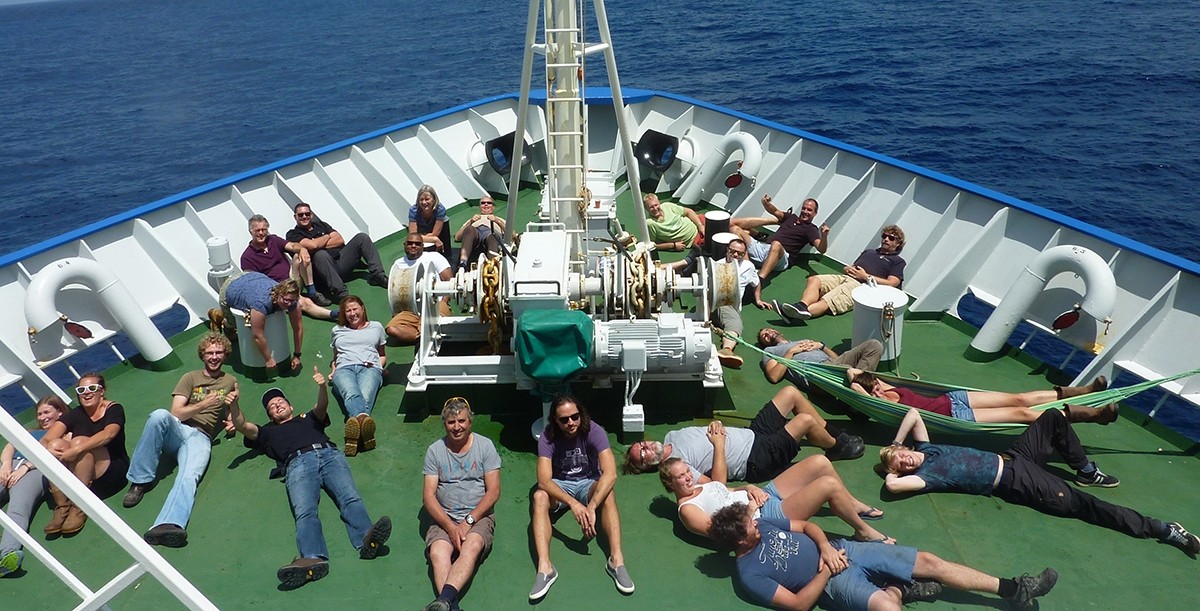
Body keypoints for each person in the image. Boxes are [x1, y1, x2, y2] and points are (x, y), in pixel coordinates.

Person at [880, 407, 1200, 555]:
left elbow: (912, 414)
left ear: (905, 449)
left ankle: (1086, 470)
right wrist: (892, 472)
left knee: (1051, 417)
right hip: (1016, 482)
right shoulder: (927, 476)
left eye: (900, 456)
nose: (905, 462)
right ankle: (1163, 529)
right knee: (1085, 505)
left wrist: (894, 443)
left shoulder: (926, 448)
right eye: (901, 466)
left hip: (1016, 456)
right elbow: (892, 487)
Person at [709, 501, 1058, 611]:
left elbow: (807, 526)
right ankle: (899, 591)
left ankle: (1014, 589)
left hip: (845, 550)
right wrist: (827, 572)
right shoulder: (749, 575)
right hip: (833, 580)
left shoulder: (765, 524)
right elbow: (799, 605)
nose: (756, 520)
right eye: (749, 524)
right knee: (888, 609)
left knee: (931, 563)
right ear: (741, 540)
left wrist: (828, 548)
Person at [226, 367, 392, 588]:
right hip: (298, 463)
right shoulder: (266, 433)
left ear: (290, 406)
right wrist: (234, 404)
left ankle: (366, 541)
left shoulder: (308, 418)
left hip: (330, 455)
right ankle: (313, 559)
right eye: (271, 407)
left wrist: (322, 386)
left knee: (350, 497)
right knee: (305, 512)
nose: (276, 405)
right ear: (270, 417)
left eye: (280, 401)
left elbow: (321, 406)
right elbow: (241, 425)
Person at [121, 333, 240, 548]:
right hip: (179, 429)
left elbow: (230, 411)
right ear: (202, 355)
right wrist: (203, 405)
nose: (214, 357)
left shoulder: (230, 381)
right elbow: (175, 413)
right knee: (159, 415)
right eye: (210, 352)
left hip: (202, 437)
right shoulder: (190, 378)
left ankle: (167, 524)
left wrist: (231, 421)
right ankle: (140, 481)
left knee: (189, 476)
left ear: (225, 355)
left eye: (218, 352)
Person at [623, 386, 865, 483]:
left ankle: (833, 433)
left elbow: (708, 429)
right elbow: (717, 486)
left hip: (752, 434)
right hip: (756, 459)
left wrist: (716, 424)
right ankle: (836, 447)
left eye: (641, 445)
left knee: (790, 393)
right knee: (804, 422)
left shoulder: (672, 436)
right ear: (648, 467)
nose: (645, 448)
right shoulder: (676, 467)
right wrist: (719, 445)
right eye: (642, 456)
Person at [659, 444, 891, 544]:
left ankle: (853, 504)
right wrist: (750, 510)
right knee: (827, 485)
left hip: (762, 496)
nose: (688, 477)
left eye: (687, 471)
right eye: (681, 476)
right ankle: (863, 531)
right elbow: (722, 534)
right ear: (670, 484)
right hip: (763, 516)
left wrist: (749, 487)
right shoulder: (688, 510)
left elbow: (728, 491)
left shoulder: (700, 486)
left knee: (819, 462)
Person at [529, 395, 634, 600]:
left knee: (608, 493)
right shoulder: (548, 436)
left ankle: (616, 560)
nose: (571, 423)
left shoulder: (594, 430)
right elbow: (544, 481)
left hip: (588, 482)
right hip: (561, 485)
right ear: (555, 421)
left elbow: (611, 473)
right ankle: (545, 568)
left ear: (581, 415)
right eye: (564, 419)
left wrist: (592, 506)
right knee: (539, 497)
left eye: (575, 417)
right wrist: (574, 504)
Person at [420, 398, 501, 611]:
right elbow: (428, 496)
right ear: (445, 424)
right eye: (451, 422)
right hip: (444, 517)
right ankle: (451, 607)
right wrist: (449, 526)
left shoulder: (485, 446)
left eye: (462, 421)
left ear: (470, 422)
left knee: (472, 547)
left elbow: (493, 492)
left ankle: (444, 601)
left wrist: (468, 521)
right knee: (438, 552)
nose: (457, 427)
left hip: (478, 516)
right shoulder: (435, 451)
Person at [849, 369, 1117, 425]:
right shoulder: (880, 403)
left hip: (955, 398)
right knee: (1021, 415)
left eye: (876, 386)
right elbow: (856, 386)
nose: (878, 390)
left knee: (1020, 398)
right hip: (956, 416)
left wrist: (869, 382)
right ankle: (1091, 415)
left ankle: (1083, 392)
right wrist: (864, 390)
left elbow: (853, 372)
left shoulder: (882, 387)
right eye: (873, 391)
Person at [41, 373, 130, 536]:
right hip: (83, 473)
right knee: (54, 444)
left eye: (92, 388)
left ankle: (80, 505)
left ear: (102, 391)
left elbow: (109, 434)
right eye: (82, 389)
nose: (86, 393)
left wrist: (77, 449)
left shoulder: (114, 409)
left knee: (79, 442)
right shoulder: (76, 414)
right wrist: (49, 450)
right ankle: (63, 506)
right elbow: (46, 439)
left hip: (112, 471)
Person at [776, 225, 907, 322]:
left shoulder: (897, 261)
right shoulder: (870, 252)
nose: (886, 239)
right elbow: (854, 267)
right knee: (814, 280)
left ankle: (793, 315)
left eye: (891, 238)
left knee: (828, 299)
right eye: (884, 236)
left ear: (898, 243)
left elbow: (892, 283)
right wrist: (848, 269)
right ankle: (802, 305)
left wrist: (865, 276)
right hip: (845, 278)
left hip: (861, 287)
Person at [0, 395, 68, 575]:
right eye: (39, 414)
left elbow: (54, 454)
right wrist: (6, 466)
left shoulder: (66, 433)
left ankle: (7, 557)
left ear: (60, 412)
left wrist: (25, 467)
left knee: (17, 510)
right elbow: (9, 447)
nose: (42, 417)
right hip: (8, 467)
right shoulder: (29, 432)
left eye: (47, 412)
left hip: (34, 471)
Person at [221, 272, 332, 371]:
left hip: (252, 277)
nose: (288, 304)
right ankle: (224, 322)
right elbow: (257, 336)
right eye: (285, 300)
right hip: (230, 287)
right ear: (278, 293)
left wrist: (297, 355)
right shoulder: (261, 303)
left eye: (292, 301)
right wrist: (268, 359)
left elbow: (297, 327)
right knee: (237, 325)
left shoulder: (292, 301)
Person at [286, 202, 388, 300]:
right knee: (320, 254)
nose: (304, 217)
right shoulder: (292, 234)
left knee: (362, 237)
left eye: (307, 214)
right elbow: (313, 245)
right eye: (300, 215)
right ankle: (341, 293)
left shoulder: (321, 225)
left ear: (311, 215)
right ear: (295, 217)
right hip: (323, 273)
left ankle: (378, 275)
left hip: (340, 262)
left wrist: (317, 243)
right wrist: (327, 237)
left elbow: (339, 240)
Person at [330, 295, 387, 457]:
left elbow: (382, 355)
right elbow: (335, 357)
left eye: (355, 309)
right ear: (343, 314)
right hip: (344, 368)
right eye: (348, 311)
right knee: (352, 394)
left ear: (363, 308)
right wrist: (333, 370)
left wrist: (379, 366)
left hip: (370, 368)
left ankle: (354, 435)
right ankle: (362, 430)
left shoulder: (376, 327)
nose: (352, 313)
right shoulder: (337, 330)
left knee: (364, 397)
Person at [729, 194, 828, 282]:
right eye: (804, 208)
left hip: (782, 257)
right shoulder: (791, 217)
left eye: (809, 210)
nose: (805, 211)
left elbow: (821, 249)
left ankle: (759, 280)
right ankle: (746, 267)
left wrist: (824, 236)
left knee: (776, 244)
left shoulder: (811, 229)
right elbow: (775, 211)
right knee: (735, 229)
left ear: (815, 213)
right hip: (764, 248)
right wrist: (766, 203)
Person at [240, 213, 332, 307]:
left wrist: (303, 249)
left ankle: (312, 291)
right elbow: (254, 283)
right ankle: (335, 314)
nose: (261, 233)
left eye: (264, 230)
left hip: (292, 279)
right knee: (306, 304)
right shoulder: (247, 257)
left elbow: (292, 245)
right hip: (278, 289)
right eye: (257, 230)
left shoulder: (273, 240)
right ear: (250, 232)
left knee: (299, 255)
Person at [385, 233, 454, 345]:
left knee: (427, 323)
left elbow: (450, 281)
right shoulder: (398, 264)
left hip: (436, 305)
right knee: (391, 329)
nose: (413, 246)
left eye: (417, 244)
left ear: (422, 246)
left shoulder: (434, 257)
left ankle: (421, 333)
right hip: (411, 310)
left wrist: (444, 302)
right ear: (404, 245)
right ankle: (422, 335)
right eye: (410, 243)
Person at [757, 328, 883, 387]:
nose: (768, 333)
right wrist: (791, 352)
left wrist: (822, 347)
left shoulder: (804, 340)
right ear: (765, 343)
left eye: (768, 330)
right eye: (765, 336)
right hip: (817, 374)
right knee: (846, 369)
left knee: (874, 345)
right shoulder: (770, 351)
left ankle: (863, 387)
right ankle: (866, 387)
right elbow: (774, 377)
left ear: (779, 331)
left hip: (832, 364)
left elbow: (836, 358)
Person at [710, 238, 757, 369]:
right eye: (732, 251)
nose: (735, 255)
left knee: (733, 317)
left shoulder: (749, 266)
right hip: (720, 302)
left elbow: (756, 283)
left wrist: (758, 299)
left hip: (734, 306)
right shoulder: (716, 266)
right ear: (727, 250)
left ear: (744, 254)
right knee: (735, 323)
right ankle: (727, 350)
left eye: (740, 253)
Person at [453, 196, 505, 271]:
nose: (486, 204)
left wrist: (497, 221)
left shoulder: (499, 219)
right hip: (476, 232)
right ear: (479, 207)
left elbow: (512, 235)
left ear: (493, 207)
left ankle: (492, 267)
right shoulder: (472, 219)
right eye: (483, 203)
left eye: (489, 203)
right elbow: (457, 237)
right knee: (470, 229)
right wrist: (471, 222)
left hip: (491, 232)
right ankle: (463, 263)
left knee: (493, 236)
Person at [409, 184, 451, 256]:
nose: (424, 202)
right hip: (423, 235)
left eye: (427, 199)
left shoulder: (440, 209)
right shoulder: (413, 211)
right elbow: (413, 236)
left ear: (434, 199)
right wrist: (434, 239)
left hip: (432, 235)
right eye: (421, 200)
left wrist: (423, 237)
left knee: (445, 221)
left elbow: (435, 234)